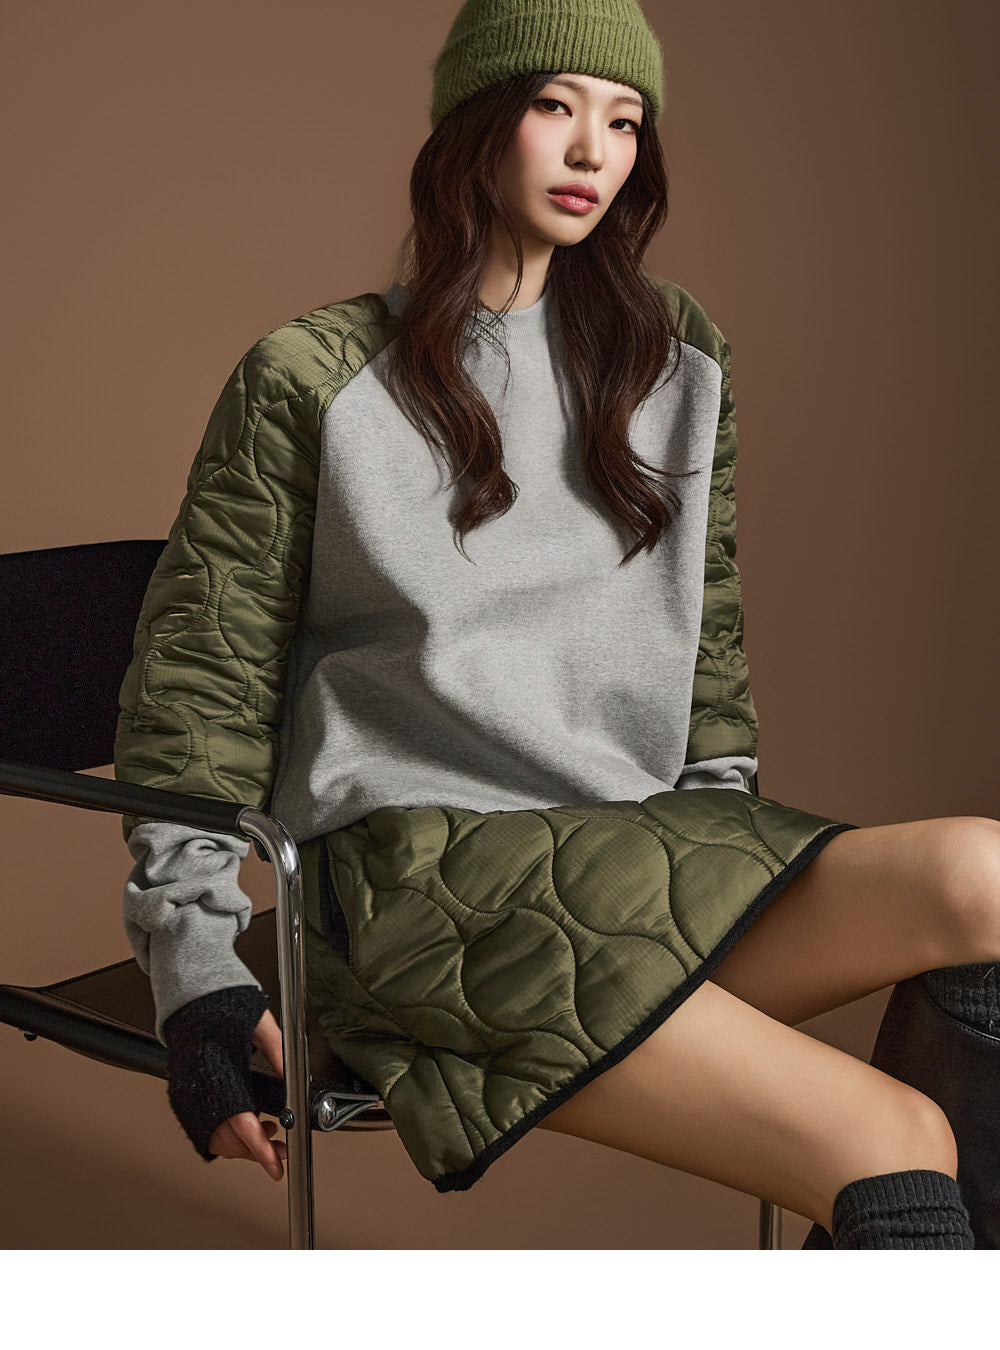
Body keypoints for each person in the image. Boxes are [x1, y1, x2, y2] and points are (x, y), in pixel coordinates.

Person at [114, 0, 1000, 1250]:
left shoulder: (677, 357)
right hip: (422, 884)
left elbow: (706, 641)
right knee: (894, 1139)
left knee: (984, 876)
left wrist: (723, 834)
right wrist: (197, 979)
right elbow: (199, 689)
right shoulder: (310, 375)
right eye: (553, 106)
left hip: (637, 852)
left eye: (625, 122)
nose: (594, 150)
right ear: (474, 126)